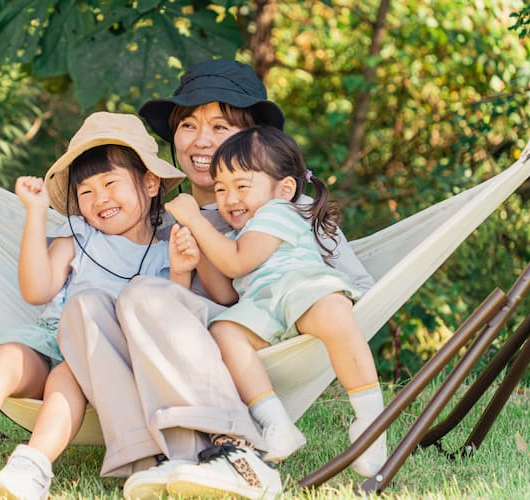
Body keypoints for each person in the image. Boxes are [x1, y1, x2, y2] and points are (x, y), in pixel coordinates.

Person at [57, 59, 376, 500]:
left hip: (261, 344)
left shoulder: (288, 208)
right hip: (186, 353)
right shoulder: (161, 220)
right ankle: (155, 455)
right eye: (188, 125)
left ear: (250, 140)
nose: (201, 140)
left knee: (145, 294)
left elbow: (353, 288)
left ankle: (239, 452)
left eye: (220, 126)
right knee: (87, 305)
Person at [0, 112, 189, 499]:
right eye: (85, 191)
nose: (99, 198)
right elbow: (37, 290)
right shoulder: (78, 234)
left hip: (106, 358)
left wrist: (183, 269)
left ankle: (30, 467)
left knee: (66, 377)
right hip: (50, 338)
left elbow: (174, 314)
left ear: (151, 182)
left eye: (110, 183)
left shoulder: (165, 251)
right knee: (4, 360)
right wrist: (37, 215)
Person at [165, 125, 387, 477]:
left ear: (284, 188)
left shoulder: (279, 212)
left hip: (304, 289)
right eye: (220, 189)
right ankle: (276, 423)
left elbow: (237, 261)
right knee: (223, 332)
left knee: (334, 311)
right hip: (264, 306)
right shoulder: (237, 232)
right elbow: (225, 293)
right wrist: (199, 245)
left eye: (241, 186)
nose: (229, 198)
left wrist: (195, 217)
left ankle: (371, 422)